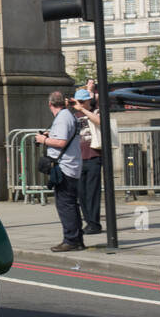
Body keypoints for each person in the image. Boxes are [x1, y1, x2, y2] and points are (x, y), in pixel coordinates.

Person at [35, 91, 83, 252]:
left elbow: (61, 142)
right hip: (70, 165)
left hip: (65, 167)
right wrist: (50, 135)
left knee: (65, 205)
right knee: (71, 204)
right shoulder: (68, 115)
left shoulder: (63, 118)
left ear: (50, 104)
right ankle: (77, 238)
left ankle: (71, 240)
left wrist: (44, 140)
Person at [71, 88, 102, 235]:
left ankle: (94, 223)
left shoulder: (95, 112)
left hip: (93, 156)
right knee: (81, 193)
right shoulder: (73, 116)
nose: (81, 104)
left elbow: (99, 122)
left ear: (88, 101)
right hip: (78, 159)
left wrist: (83, 110)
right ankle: (88, 221)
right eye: (78, 102)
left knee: (92, 193)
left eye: (83, 101)